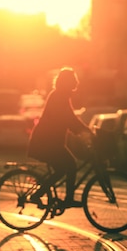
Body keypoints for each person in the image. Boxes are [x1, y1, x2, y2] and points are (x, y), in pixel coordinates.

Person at [27, 67, 92, 208]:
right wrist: (85, 131)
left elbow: (69, 118)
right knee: (70, 165)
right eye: (73, 80)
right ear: (66, 82)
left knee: (63, 168)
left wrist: (83, 130)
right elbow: (67, 118)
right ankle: (61, 198)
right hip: (46, 143)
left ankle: (40, 195)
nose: (76, 82)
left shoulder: (61, 95)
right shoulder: (58, 96)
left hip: (51, 142)